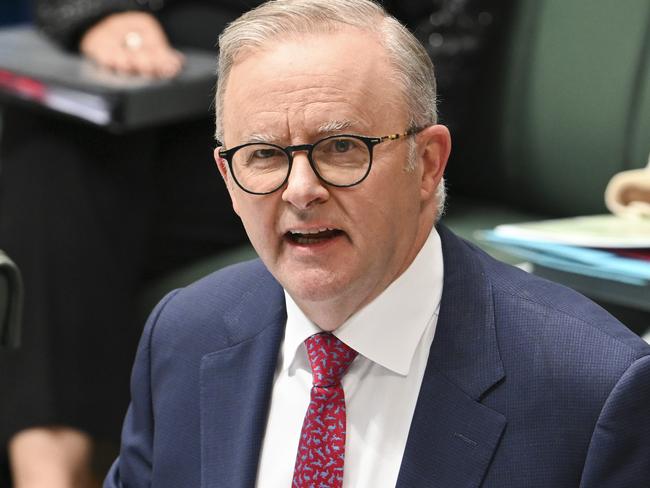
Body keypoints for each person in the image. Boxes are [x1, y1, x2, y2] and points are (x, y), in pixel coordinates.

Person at [104, 0, 650, 487]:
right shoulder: (182, 334)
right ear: (228, 178)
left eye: (342, 147)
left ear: (428, 164)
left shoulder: (594, 390)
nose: (301, 191)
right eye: (264, 155)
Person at [0, 1, 260, 486]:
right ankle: (48, 472)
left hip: (289, 110)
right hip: (142, 95)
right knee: (55, 136)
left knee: (54, 195)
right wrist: (101, 13)